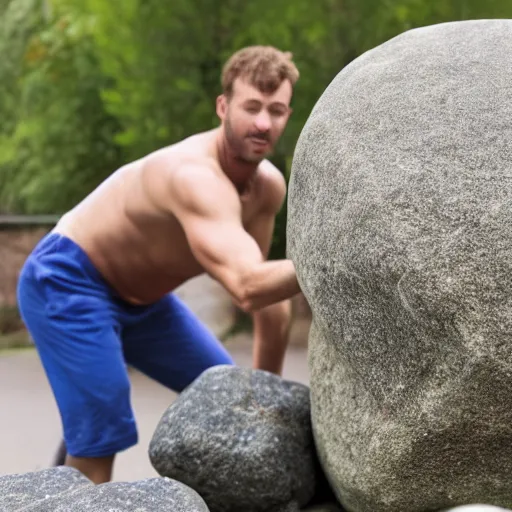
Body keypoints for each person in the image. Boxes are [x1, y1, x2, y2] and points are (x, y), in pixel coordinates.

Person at [16, 45, 302, 485]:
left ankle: (62, 469)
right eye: (252, 107)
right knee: (103, 428)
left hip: (146, 304)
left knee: (224, 396)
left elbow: (266, 299)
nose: (264, 123)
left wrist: (261, 406)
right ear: (224, 107)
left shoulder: (266, 188)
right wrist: (330, 262)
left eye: (277, 110)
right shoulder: (194, 177)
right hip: (68, 279)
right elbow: (247, 286)